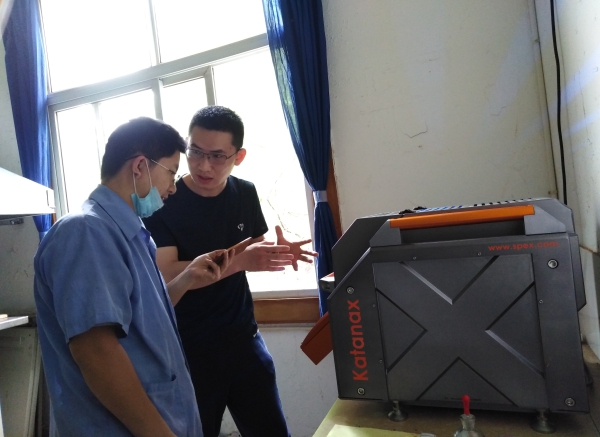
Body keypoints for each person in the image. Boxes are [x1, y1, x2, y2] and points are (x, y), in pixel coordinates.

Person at [34, 117, 232, 437]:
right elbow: (96, 351)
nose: (173, 187)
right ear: (140, 166)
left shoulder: (132, 234)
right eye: (171, 172)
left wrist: (186, 279)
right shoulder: (85, 232)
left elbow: (139, 320)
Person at [143, 105, 317, 437]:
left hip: (244, 342)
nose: (203, 165)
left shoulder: (244, 193)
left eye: (217, 156)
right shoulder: (164, 201)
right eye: (195, 152)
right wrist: (241, 262)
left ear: (239, 157)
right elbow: (167, 274)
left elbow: (251, 247)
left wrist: (274, 251)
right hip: (189, 350)